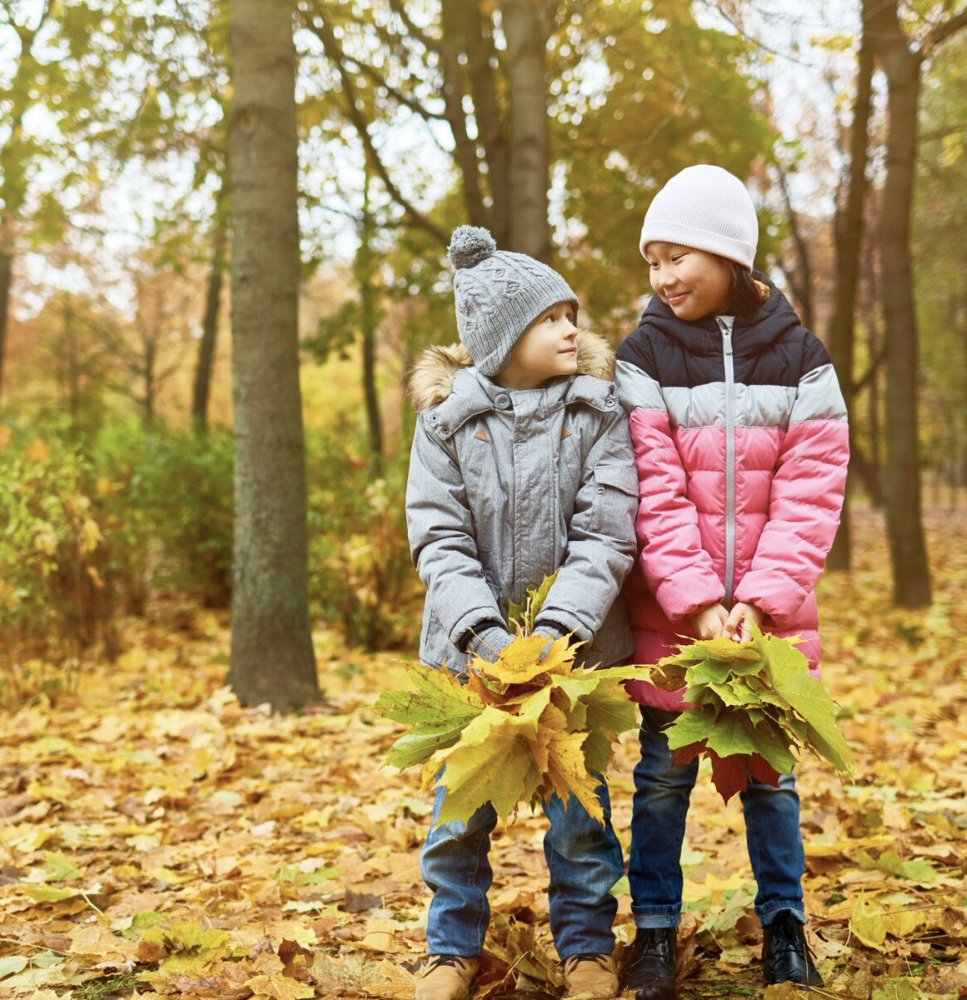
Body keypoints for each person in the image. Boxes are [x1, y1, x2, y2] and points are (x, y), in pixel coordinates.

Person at [614, 165, 849, 999]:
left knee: (771, 781)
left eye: (677, 254)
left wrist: (758, 601)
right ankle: (650, 934)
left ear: (725, 251)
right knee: (660, 779)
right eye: (652, 261)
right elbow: (650, 488)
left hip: (768, 621)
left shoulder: (801, 360)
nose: (662, 276)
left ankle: (785, 926)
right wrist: (696, 603)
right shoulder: (640, 358)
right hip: (671, 619)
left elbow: (811, 490)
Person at [405, 225, 639, 1000]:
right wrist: (486, 635)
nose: (573, 328)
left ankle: (585, 948)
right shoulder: (446, 422)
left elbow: (606, 532)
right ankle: (449, 948)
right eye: (552, 318)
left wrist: (552, 636)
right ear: (503, 337)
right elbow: (438, 537)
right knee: (458, 815)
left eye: (572, 313)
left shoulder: (600, 413)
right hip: (469, 658)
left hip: (571, 661)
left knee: (580, 817)